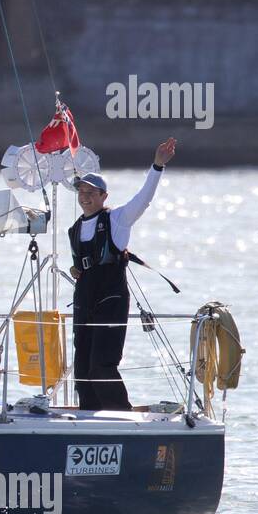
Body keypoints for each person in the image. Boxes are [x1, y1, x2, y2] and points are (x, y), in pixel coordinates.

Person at [68, 138, 177, 410]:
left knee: (101, 365)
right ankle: (89, 416)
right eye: (81, 191)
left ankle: (120, 415)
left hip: (110, 301)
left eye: (91, 192)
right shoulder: (74, 229)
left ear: (104, 196)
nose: (85, 196)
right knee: (82, 369)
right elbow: (83, 264)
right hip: (85, 302)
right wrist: (75, 269)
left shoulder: (117, 219)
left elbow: (143, 199)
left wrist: (157, 166)